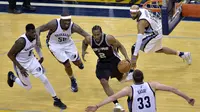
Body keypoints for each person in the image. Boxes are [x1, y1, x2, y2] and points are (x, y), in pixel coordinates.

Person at [7, 23, 66, 109]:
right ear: (27, 32)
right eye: (32, 32)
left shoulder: (35, 36)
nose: (34, 34)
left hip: (32, 60)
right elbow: (10, 55)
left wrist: (41, 56)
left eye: (34, 32)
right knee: (28, 87)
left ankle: (56, 100)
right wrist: (21, 68)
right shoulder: (21, 42)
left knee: (44, 79)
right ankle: (12, 77)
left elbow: (36, 46)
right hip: (21, 64)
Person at [85, 69, 195, 112]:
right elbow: (173, 89)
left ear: (133, 79)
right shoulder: (152, 85)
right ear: (143, 78)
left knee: (116, 109)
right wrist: (187, 98)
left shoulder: (129, 90)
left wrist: (97, 106)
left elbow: (112, 97)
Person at [35, 13, 91, 92]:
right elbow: (38, 29)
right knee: (67, 64)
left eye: (69, 21)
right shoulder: (54, 24)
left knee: (77, 62)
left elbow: (87, 35)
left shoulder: (74, 27)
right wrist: (37, 39)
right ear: (61, 20)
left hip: (68, 44)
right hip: (54, 45)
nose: (67, 23)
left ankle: (79, 62)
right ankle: (72, 80)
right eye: (65, 22)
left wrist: (92, 45)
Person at [128, 5, 192, 73]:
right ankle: (183, 54)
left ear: (138, 12)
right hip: (158, 27)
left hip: (154, 34)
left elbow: (139, 40)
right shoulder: (143, 10)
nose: (132, 15)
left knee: (134, 48)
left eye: (134, 13)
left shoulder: (141, 23)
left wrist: (134, 56)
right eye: (131, 13)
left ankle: (132, 70)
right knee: (158, 49)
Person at [82, 25, 130, 111]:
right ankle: (117, 104)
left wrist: (126, 57)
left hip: (113, 61)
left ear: (101, 33)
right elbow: (84, 42)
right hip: (102, 62)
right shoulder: (89, 39)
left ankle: (129, 74)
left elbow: (120, 46)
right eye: (94, 35)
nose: (96, 37)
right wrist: (83, 51)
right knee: (103, 82)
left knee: (122, 80)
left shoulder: (109, 38)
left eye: (98, 34)